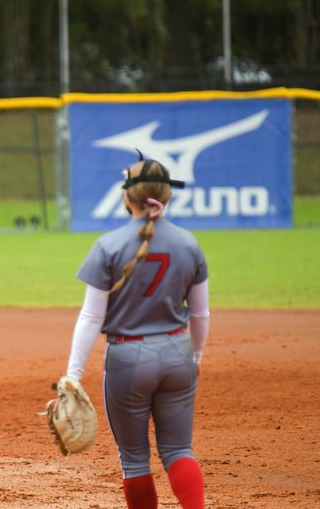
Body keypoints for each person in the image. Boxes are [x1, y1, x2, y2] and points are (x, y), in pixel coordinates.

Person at [62, 153, 210, 508]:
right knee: (178, 450)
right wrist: (196, 355)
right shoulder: (189, 243)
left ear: (127, 196)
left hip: (129, 359)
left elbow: (91, 317)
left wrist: (73, 374)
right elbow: (201, 314)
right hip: (177, 353)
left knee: (134, 460)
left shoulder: (109, 245)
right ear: (167, 194)